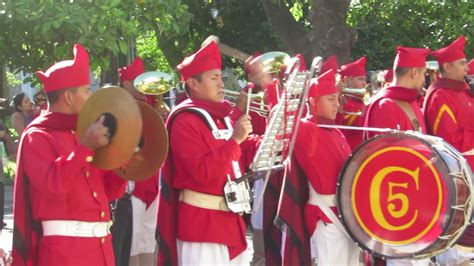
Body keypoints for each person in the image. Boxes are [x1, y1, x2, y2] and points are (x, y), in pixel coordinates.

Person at [11, 44, 127, 266]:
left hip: (101, 248)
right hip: (64, 253)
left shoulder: (84, 133)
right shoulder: (37, 135)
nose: (90, 96)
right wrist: (85, 148)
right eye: (86, 90)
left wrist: (125, 161)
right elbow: (53, 185)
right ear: (68, 96)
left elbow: (109, 191)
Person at [157, 40, 259, 265]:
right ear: (193, 83)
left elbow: (241, 152)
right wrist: (235, 139)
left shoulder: (219, 116)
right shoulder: (185, 120)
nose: (221, 83)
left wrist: (273, 141)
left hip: (230, 222)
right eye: (214, 78)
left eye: (220, 77)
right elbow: (201, 173)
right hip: (202, 226)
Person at [294, 69, 359, 265]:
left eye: (336, 98)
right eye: (330, 99)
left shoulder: (337, 132)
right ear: (314, 101)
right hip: (326, 216)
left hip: (346, 215)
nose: (337, 104)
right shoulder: (304, 128)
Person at [423, 35, 474, 265]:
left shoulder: (461, 91)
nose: (466, 67)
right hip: (459, 173)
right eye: (462, 63)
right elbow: (449, 141)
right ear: (448, 66)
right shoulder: (440, 95)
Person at [117, 57, 159, 266]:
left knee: (147, 237)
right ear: (125, 84)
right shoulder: (119, 107)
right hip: (132, 181)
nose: (143, 87)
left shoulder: (149, 104)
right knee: (132, 239)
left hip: (152, 178)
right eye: (137, 81)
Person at [365, 46, 429, 138]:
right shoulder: (385, 105)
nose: (424, 80)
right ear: (414, 72)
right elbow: (388, 150)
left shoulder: (412, 101)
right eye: (423, 74)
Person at [335, 57, 368, 150]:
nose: (365, 83)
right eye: (360, 79)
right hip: (349, 152)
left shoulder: (360, 101)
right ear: (347, 80)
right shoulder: (342, 103)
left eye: (365, 79)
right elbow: (360, 122)